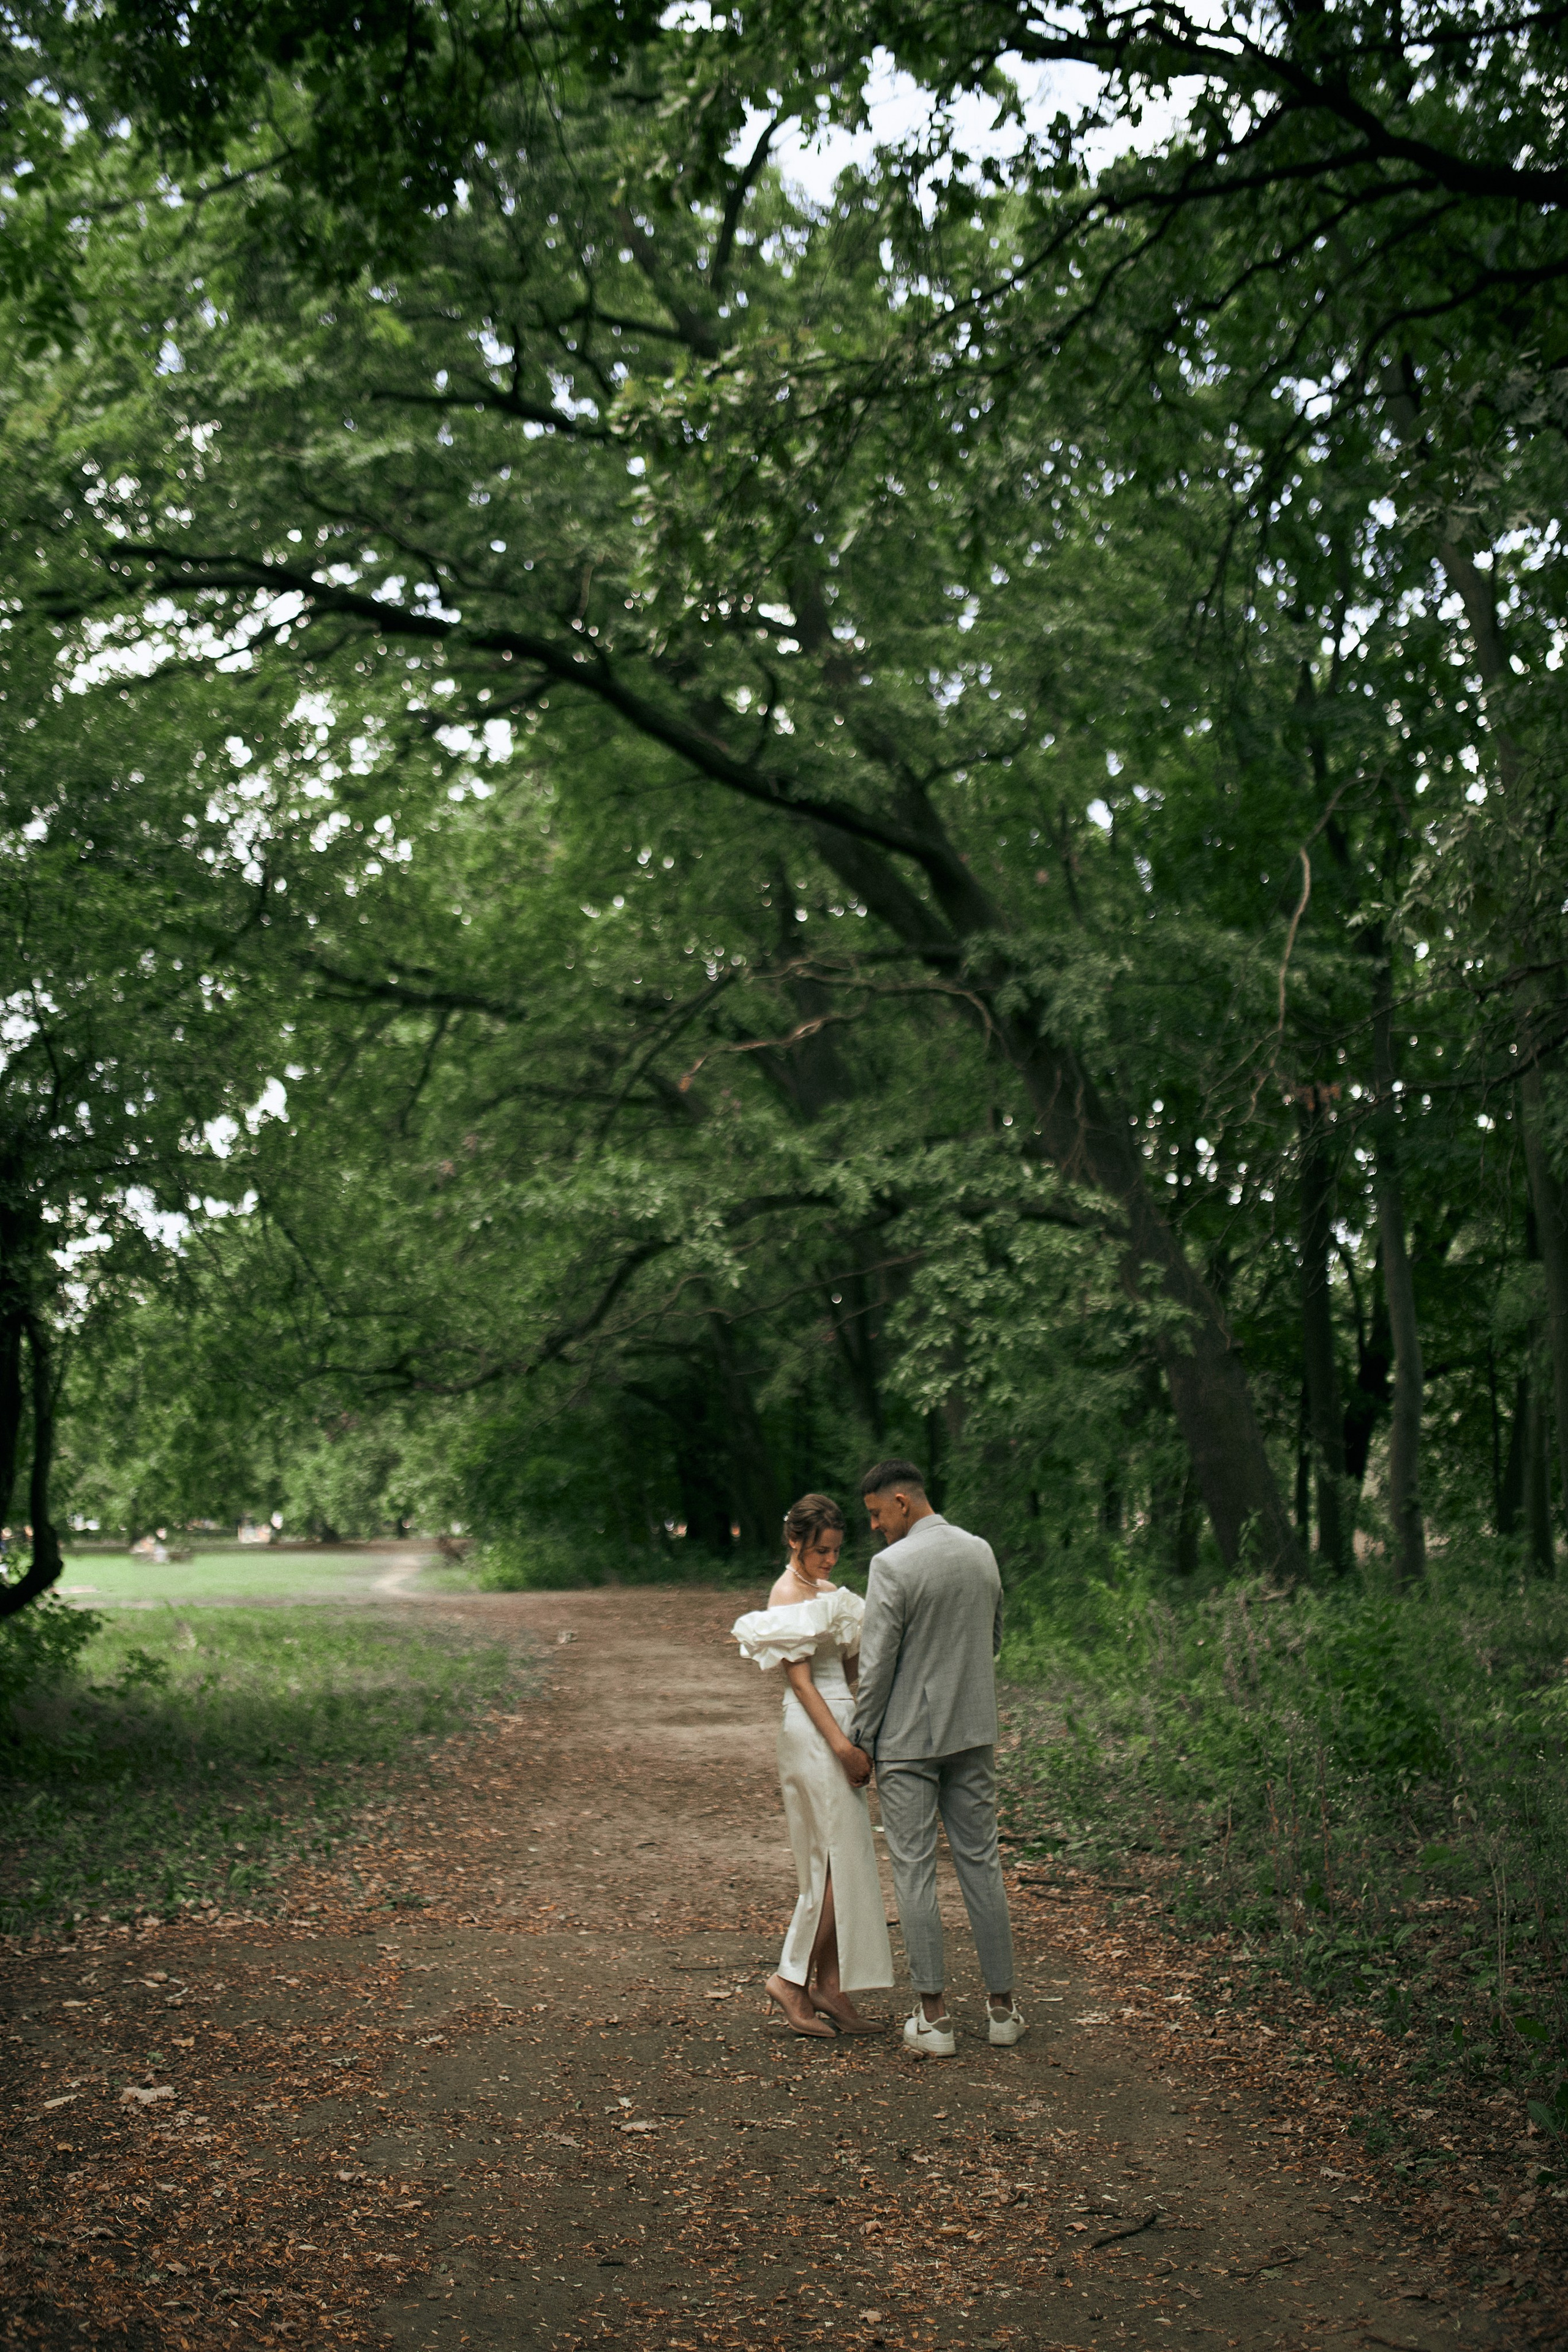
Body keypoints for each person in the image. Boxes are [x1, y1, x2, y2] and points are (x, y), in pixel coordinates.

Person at [847, 1459, 1025, 2059]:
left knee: (915, 1869)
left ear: (901, 1501)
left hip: (908, 1741)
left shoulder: (892, 1566)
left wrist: (860, 1739)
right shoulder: (981, 1552)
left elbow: (876, 1668)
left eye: (876, 1514)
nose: (875, 1527)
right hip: (972, 1731)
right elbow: (993, 1640)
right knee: (981, 1863)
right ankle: (1002, 2010)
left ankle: (935, 2018)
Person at [732, 1493, 892, 2038]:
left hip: (838, 1717)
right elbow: (801, 1682)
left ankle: (832, 1986)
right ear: (795, 1541)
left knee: (842, 1860)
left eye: (836, 1551)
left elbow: (847, 1666)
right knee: (828, 1866)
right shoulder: (785, 1595)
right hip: (814, 1729)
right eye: (821, 1550)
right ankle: (789, 1978)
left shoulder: (826, 1594)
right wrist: (844, 1748)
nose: (829, 1561)